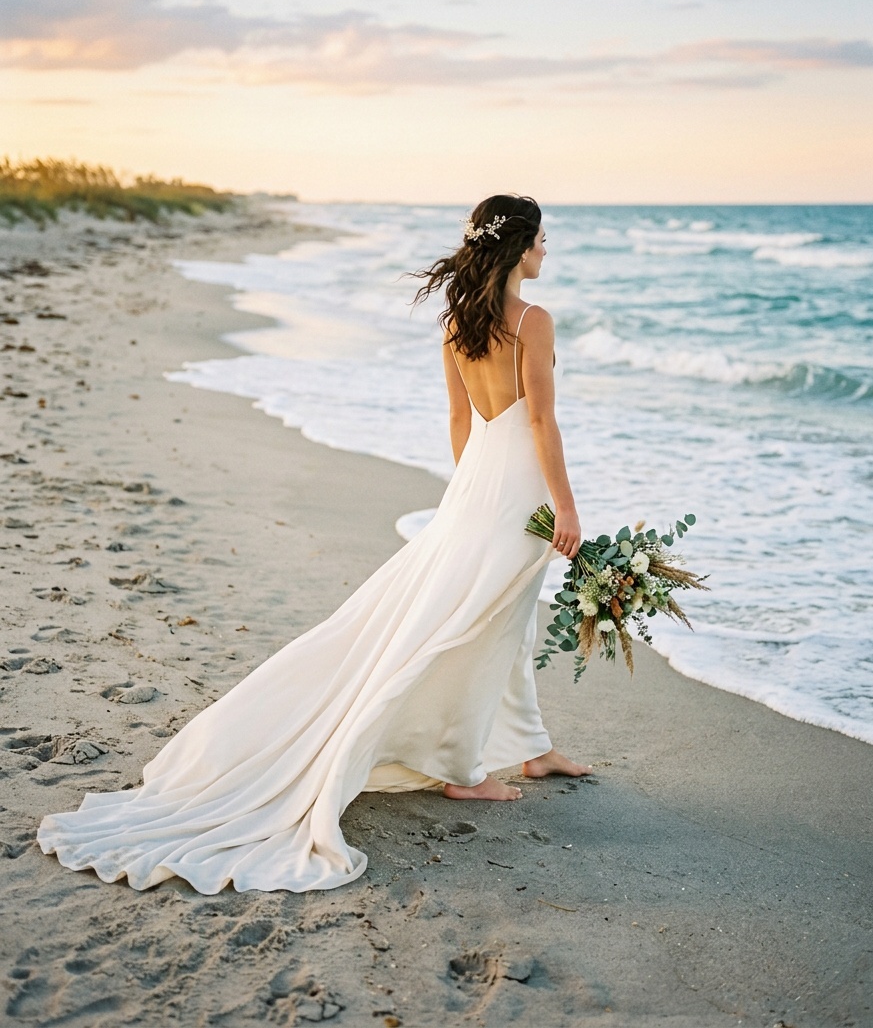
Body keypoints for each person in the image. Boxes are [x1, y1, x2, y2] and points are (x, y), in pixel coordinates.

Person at [37, 193, 591, 895]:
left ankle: (531, 750)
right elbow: (541, 421)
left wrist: (467, 496)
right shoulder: (533, 322)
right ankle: (464, 770)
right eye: (541, 240)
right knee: (473, 624)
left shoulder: (459, 322)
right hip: (516, 492)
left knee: (501, 618)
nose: (547, 251)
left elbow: (461, 419)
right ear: (516, 248)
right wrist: (566, 507)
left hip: (478, 484)